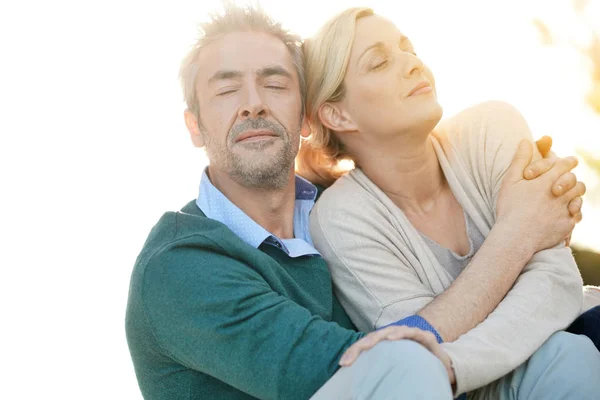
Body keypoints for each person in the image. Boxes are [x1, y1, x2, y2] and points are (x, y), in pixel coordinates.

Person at [126, 4, 591, 400]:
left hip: (449, 377)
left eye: (275, 85)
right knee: (406, 365)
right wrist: (519, 233)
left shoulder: (348, 206)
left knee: (568, 354)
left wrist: (534, 201)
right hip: (384, 382)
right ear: (194, 125)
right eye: (227, 90)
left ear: (305, 117)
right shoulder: (182, 266)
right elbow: (362, 365)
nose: (253, 105)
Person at [297, 7, 600, 399]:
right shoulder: (340, 220)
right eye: (380, 62)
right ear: (337, 113)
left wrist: (455, 362)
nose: (411, 64)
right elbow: (423, 347)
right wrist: (519, 230)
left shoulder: (492, 128)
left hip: (579, 334)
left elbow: (555, 283)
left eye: (408, 48)